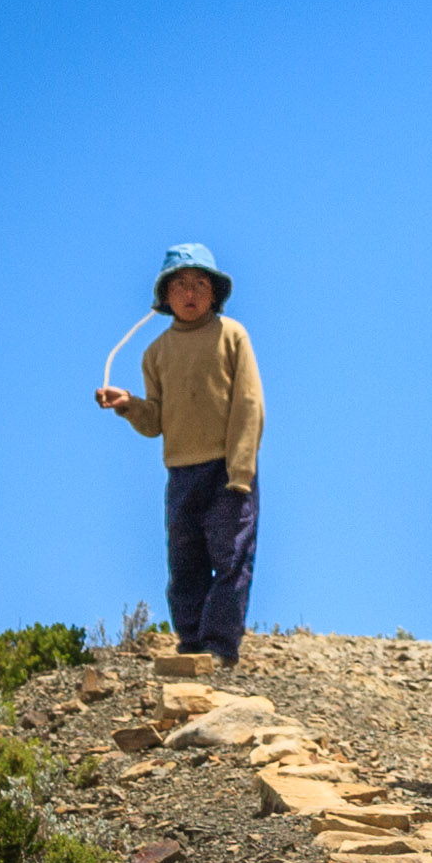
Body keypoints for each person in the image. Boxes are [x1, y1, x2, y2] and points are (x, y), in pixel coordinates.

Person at [94, 244, 265, 670]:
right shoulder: (155, 353)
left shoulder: (232, 336)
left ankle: (220, 647)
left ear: (215, 293)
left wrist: (240, 470)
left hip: (228, 469)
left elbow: (249, 404)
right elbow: (155, 421)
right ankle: (191, 646)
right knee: (185, 563)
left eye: (200, 284)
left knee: (230, 559)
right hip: (181, 472)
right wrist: (127, 403)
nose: (190, 293)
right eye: (180, 285)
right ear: (165, 296)